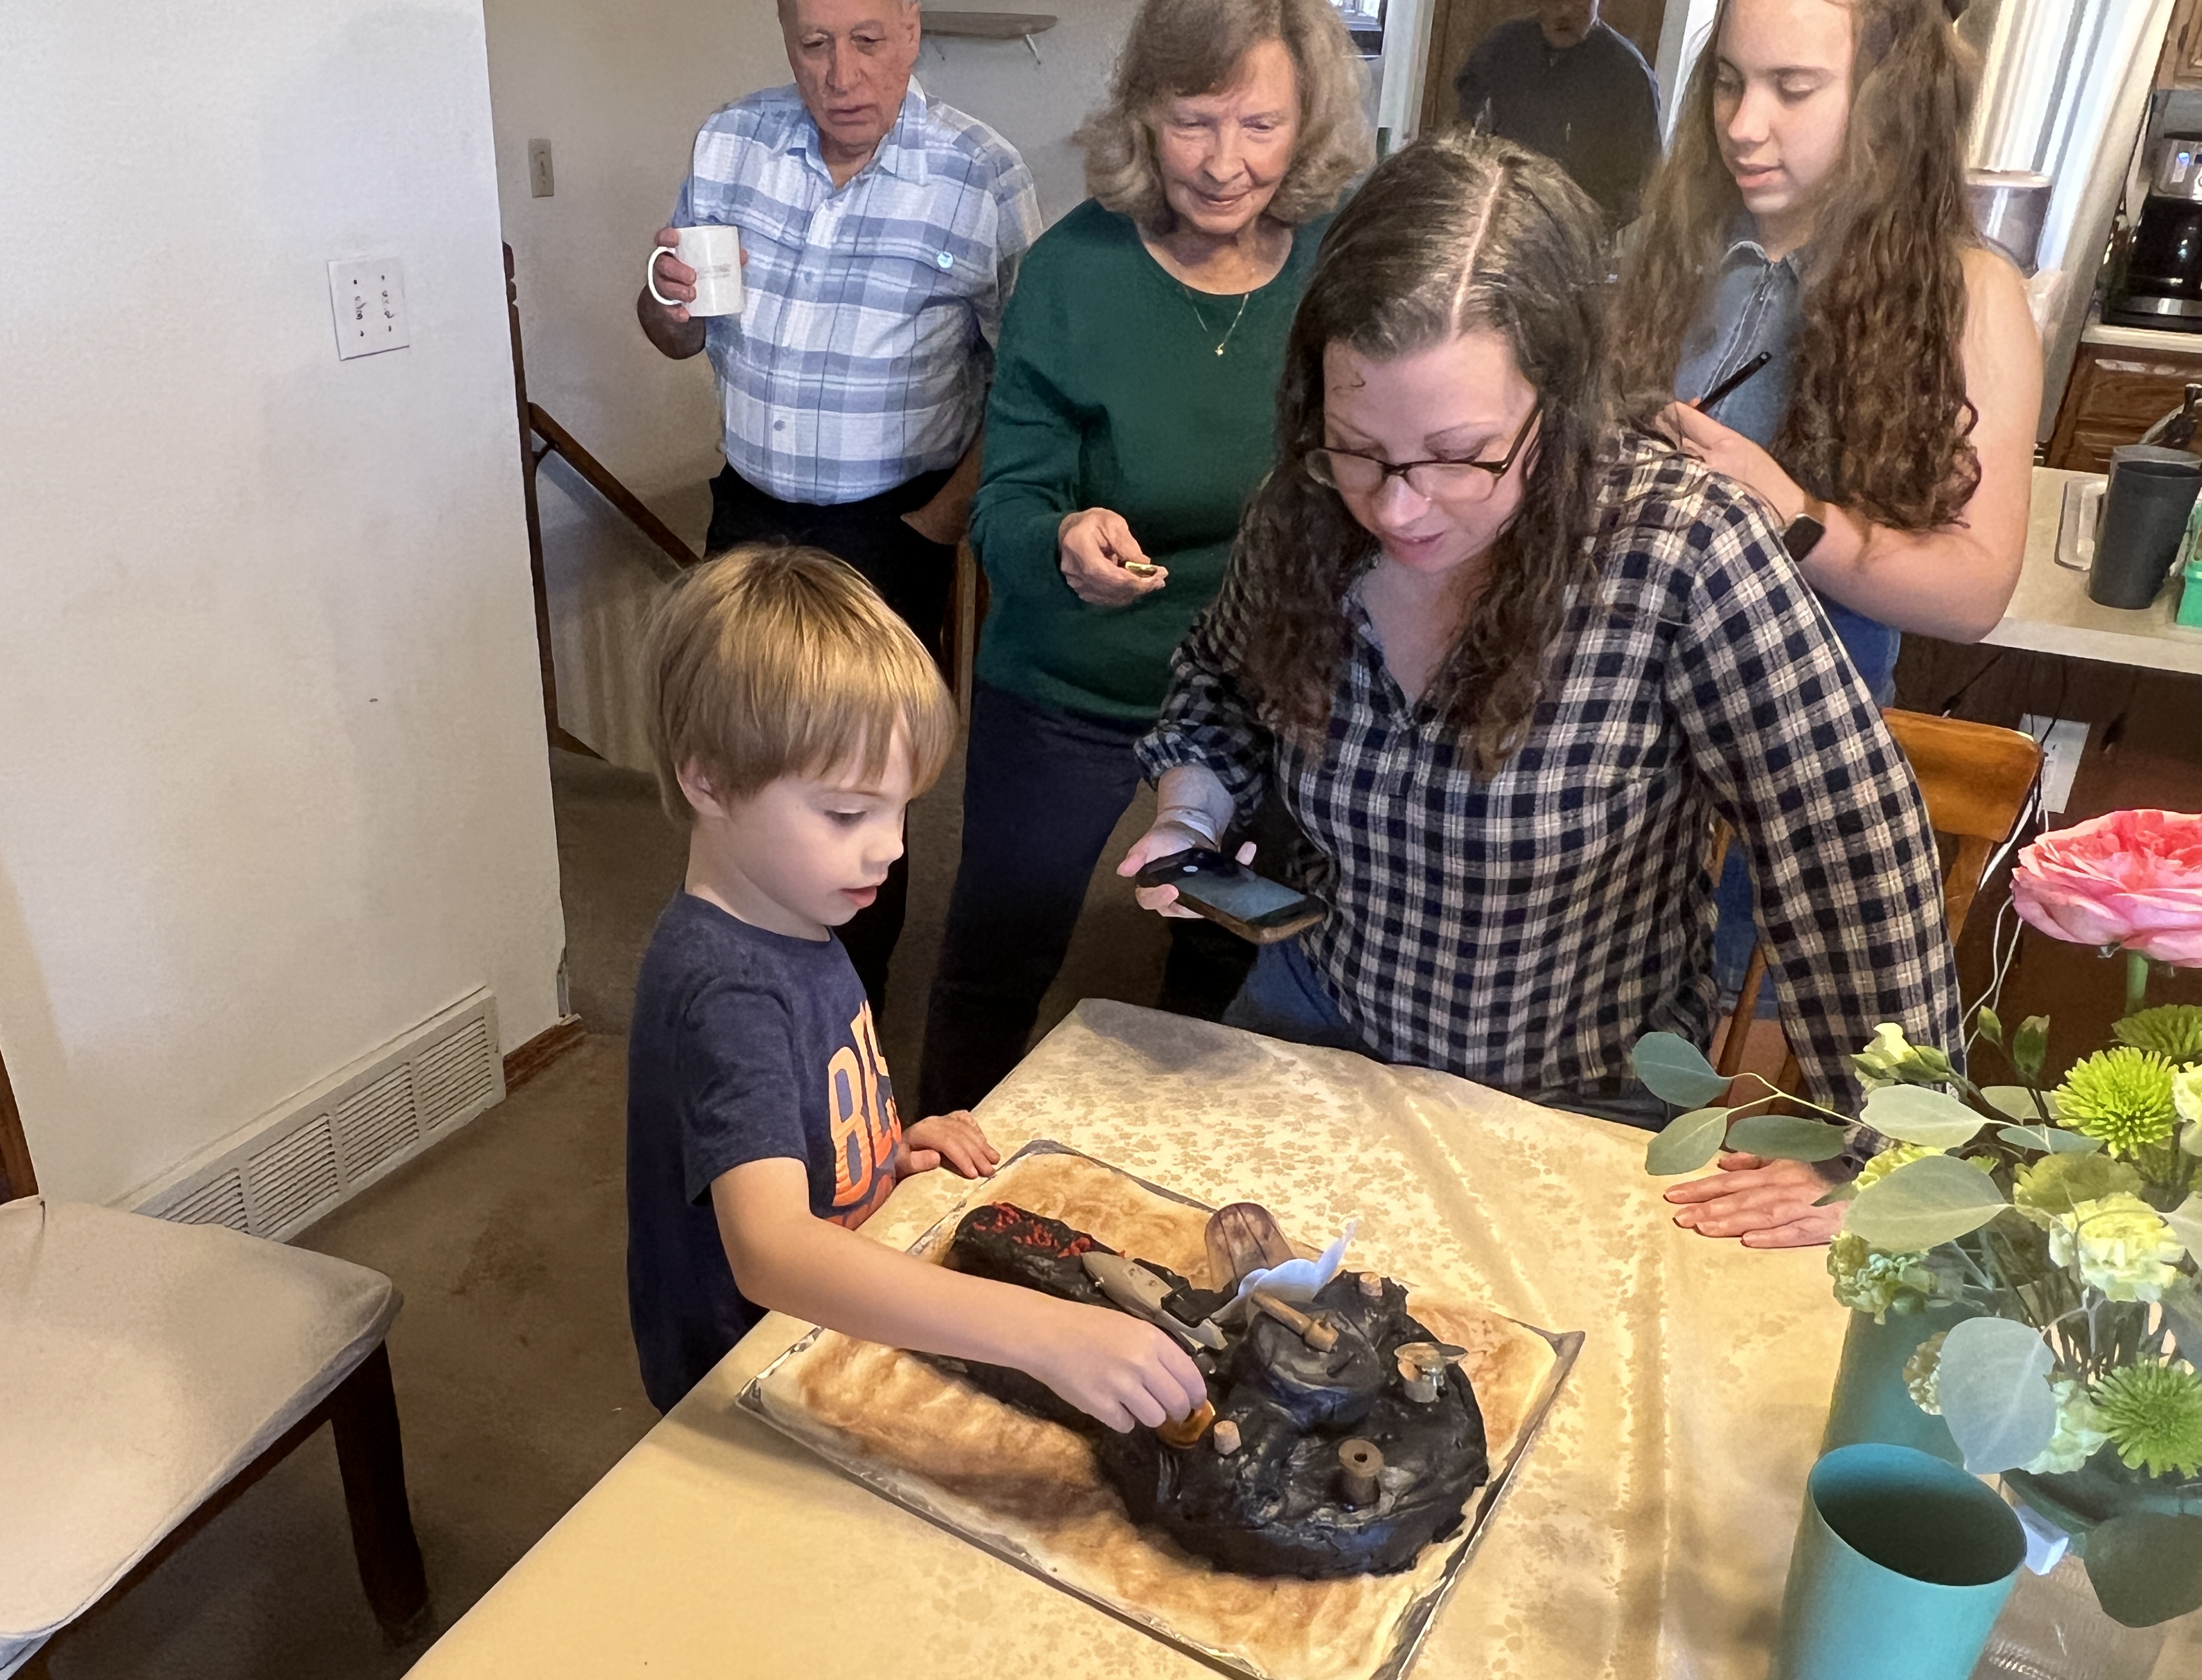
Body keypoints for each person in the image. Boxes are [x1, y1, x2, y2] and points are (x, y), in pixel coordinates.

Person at [1118, 134, 1960, 1248]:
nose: (1398, 507)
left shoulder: (1682, 549)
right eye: (1358, 448)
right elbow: (1222, 684)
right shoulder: (1305, 510)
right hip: (1315, 1034)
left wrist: (1886, 1154)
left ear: (1557, 405)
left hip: (1571, 1097)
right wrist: (1190, 814)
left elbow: (1849, 847)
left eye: (1460, 454)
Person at [1610, 0, 2039, 1233]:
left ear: (1890, 97)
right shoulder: (1667, 259)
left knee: (1731, 1148)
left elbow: (1975, 586)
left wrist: (1791, 512)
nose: (1745, 126)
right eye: (1728, 84)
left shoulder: (1967, 296)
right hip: (1615, 777)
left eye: (1792, 90)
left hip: (1786, 787)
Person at [625, 544, 1208, 1426]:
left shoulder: (790, 911)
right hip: (748, 1370)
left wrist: (874, 1162)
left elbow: (789, 1125)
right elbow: (772, 1249)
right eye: (846, 813)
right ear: (707, 778)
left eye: (902, 808)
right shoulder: (727, 990)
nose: (892, 848)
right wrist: (1043, 1333)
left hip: (819, 1325)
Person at [917, 0, 1373, 1118]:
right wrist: (1060, 539)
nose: (1223, 164)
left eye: (1260, 125)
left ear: (1309, 121)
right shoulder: (1072, 270)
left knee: (1222, 959)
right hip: (1069, 675)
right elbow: (1006, 503)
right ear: (1142, 117)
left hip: (1262, 689)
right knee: (997, 957)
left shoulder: (1344, 264)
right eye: (1192, 122)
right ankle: (936, 1174)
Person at [639, 0, 1044, 1017]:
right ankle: (739, 996)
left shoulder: (981, 175)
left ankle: (845, 1019)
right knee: (733, 765)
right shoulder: (731, 141)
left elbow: (1026, 383)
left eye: (868, 40)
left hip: (888, 531)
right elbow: (678, 330)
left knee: (857, 792)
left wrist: (942, 519)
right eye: (814, 44)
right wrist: (665, 302)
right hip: (746, 514)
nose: (841, 74)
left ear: (910, 29)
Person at [1455, 0, 1661, 234]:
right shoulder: (1501, 47)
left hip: (1575, 237)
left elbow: (1640, 190)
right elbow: (1465, 136)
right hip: (1499, 222)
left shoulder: (1631, 77)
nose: (1564, 11)